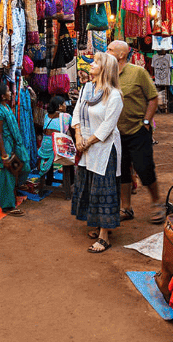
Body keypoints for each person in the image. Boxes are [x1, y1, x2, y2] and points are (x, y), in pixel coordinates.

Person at [71, 52, 124, 253]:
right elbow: (77, 112)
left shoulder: (114, 95)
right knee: (90, 185)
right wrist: (78, 136)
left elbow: (108, 126)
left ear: (105, 69)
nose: (91, 65)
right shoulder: (87, 89)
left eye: (95, 62)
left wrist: (88, 142)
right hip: (86, 144)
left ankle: (104, 236)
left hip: (104, 148)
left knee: (104, 189)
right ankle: (96, 224)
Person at [108, 40, 163, 224]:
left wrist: (146, 122)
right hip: (116, 132)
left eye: (109, 49)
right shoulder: (108, 74)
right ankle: (126, 208)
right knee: (122, 170)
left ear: (121, 54)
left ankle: (157, 203)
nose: (106, 52)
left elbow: (153, 98)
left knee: (144, 167)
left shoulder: (138, 72)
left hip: (138, 130)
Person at [0, 83, 29, 217]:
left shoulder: (6, 107)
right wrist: (3, 154)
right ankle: (7, 206)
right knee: (7, 175)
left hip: (14, 145)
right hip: (6, 148)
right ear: (3, 96)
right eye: (8, 90)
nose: (10, 92)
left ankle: (17, 187)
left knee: (24, 166)